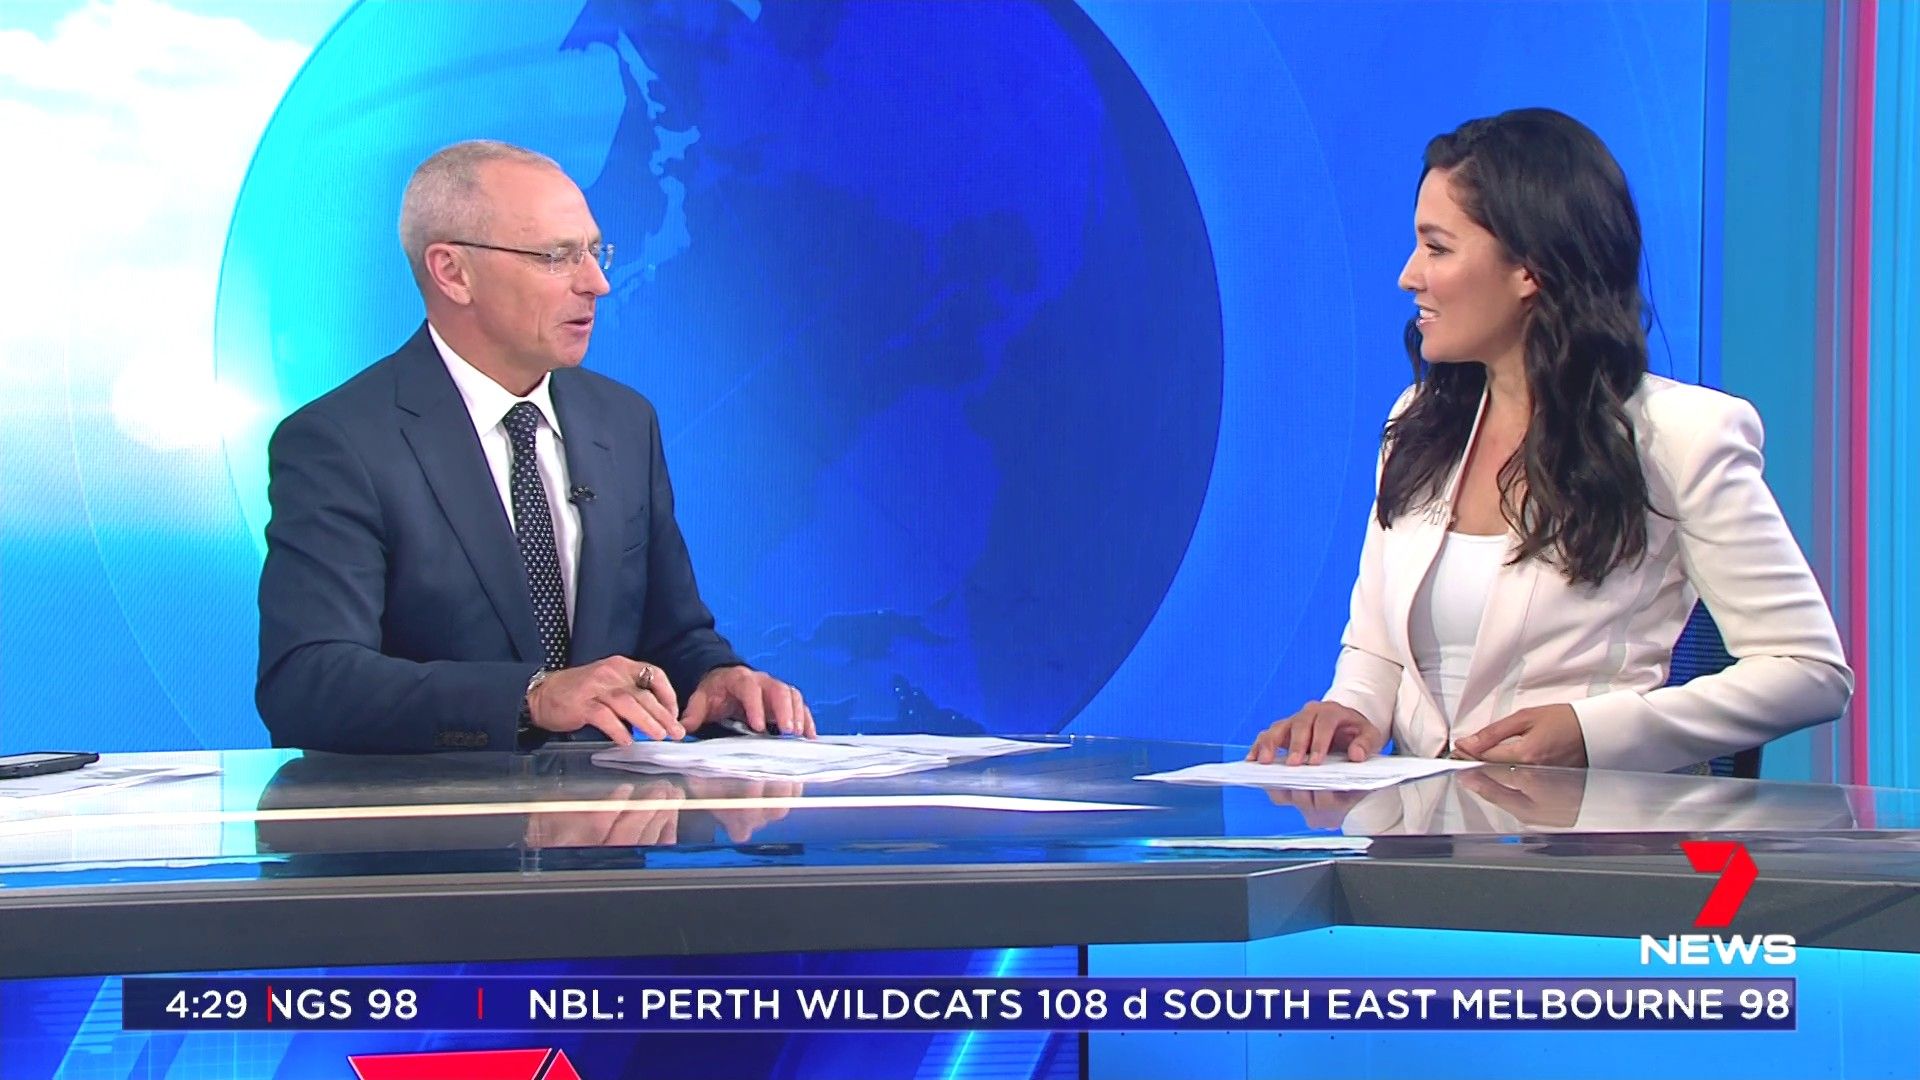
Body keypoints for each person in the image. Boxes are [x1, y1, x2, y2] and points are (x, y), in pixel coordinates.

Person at [1250, 109, 1850, 774]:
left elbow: (1809, 670)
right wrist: (1352, 710)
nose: (1409, 276)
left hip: (1596, 827)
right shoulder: (1418, 424)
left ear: (1530, 268)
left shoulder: (1681, 435)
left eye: (1437, 248)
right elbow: (1379, 649)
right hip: (1420, 828)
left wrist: (1591, 733)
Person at [257, 140, 813, 753]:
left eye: (595, 252)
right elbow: (308, 683)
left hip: (603, 813)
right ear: (453, 273)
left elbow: (671, 634)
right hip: (433, 813)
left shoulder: (624, 422)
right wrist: (530, 698)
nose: (597, 283)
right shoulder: (341, 442)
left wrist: (715, 676)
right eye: (556, 257)